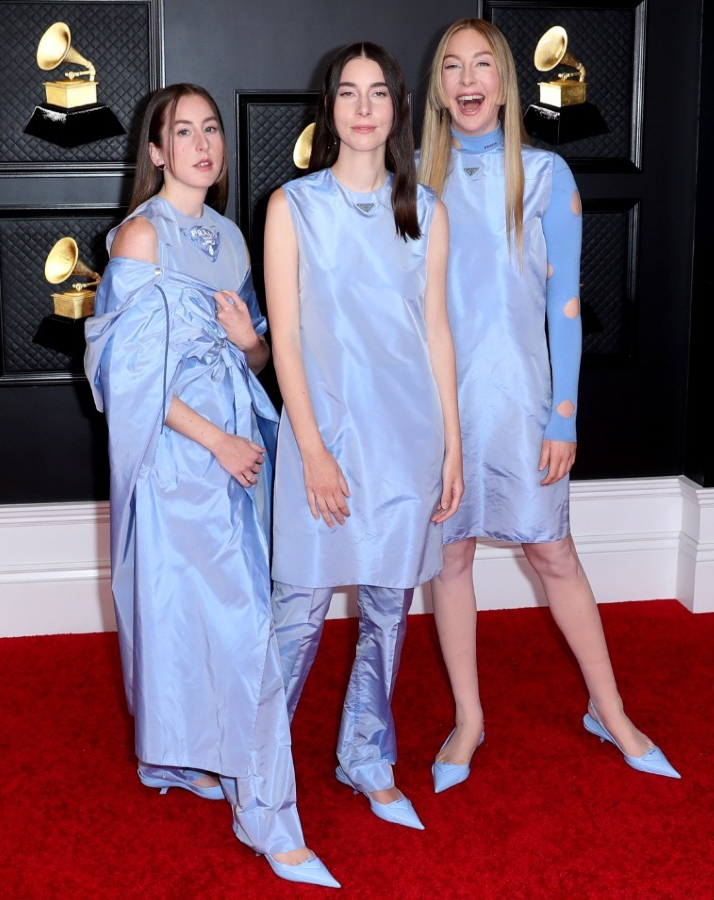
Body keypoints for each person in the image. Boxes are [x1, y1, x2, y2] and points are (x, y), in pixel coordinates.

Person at [83, 84, 339, 889]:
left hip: (240, 454)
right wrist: (217, 440)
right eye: (181, 132)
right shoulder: (140, 241)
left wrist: (250, 340)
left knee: (213, 615)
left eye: (210, 129)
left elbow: (257, 359)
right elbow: (127, 383)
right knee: (231, 623)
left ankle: (184, 756)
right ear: (155, 152)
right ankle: (267, 814)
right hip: (182, 459)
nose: (201, 143)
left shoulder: (230, 235)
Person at [416, 19, 679, 792]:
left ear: (504, 81)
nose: (467, 79)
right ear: (438, 87)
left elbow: (566, 305)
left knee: (554, 553)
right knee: (451, 554)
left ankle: (611, 710)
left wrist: (563, 415)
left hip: (520, 400)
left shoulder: (547, 175)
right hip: (437, 408)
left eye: (482, 66)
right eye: (452, 66)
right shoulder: (411, 180)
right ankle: (469, 718)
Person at [264, 42, 463, 832]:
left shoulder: (430, 210)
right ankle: (257, 763)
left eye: (378, 93)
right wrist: (310, 447)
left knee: (388, 606)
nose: (363, 107)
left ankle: (366, 755)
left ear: (396, 108)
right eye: (348, 93)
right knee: (299, 612)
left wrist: (451, 444)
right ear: (331, 107)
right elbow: (284, 342)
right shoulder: (293, 207)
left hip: (407, 439)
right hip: (326, 436)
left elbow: (438, 335)